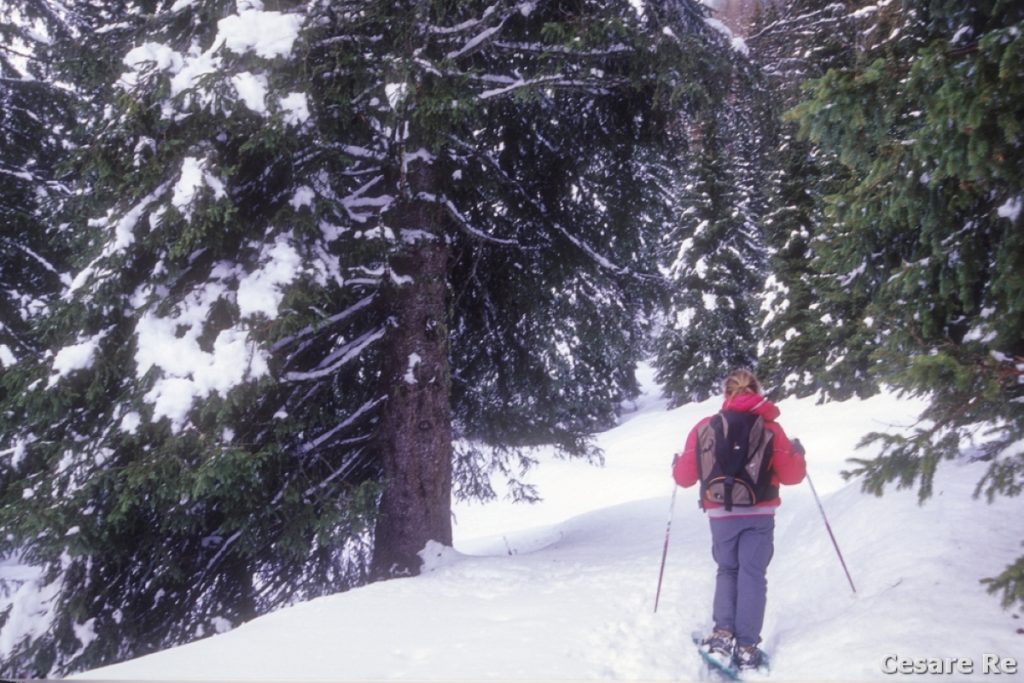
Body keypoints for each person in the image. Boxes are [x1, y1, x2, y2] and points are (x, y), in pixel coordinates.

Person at [672, 368, 805, 671]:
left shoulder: (705, 427)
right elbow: (794, 475)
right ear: (757, 391)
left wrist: (676, 463)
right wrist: (798, 454)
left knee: (727, 570)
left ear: (726, 394)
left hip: (721, 513)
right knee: (752, 575)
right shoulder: (772, 428)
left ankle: (721, 636)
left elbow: (684, 477)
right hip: (760, 513)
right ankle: (746, 648)